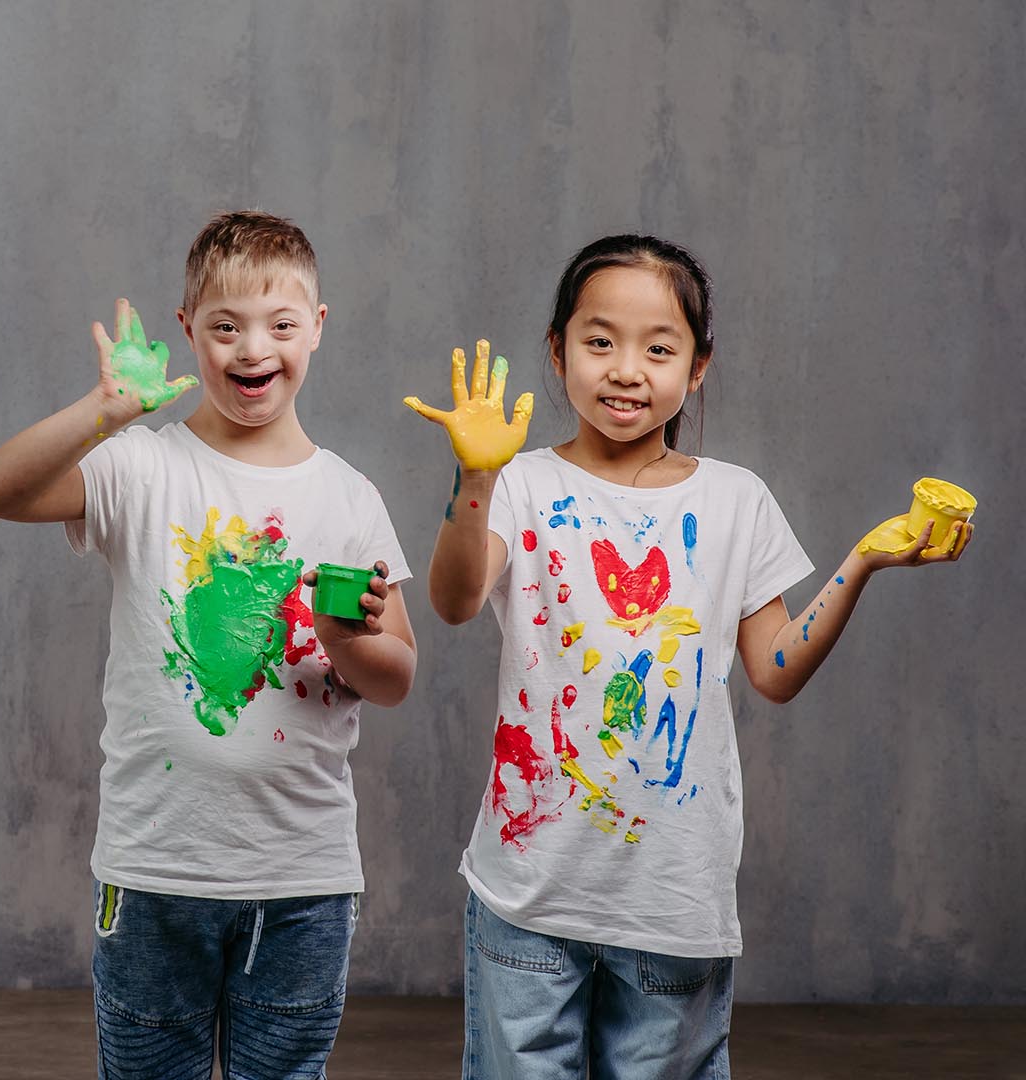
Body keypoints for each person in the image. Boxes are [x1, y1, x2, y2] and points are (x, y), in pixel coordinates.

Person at [406, 233, 972, 1079]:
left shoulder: (736, 499)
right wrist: (473, 479)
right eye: (599, 342)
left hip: (673, 894)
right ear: (557, 352)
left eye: (658, 348)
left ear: (697, 366)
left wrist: (862, 562)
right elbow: (452, 602)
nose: (627, 370)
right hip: (529, 890)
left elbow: (774, 671)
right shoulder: (522, 483)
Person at [0, 209, 419, 1079]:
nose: (254, 349)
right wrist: (101, 412)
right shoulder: (142, 466)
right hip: (155, 868)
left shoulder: (350, 497)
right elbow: (0, 491)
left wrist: (342, 637)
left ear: (316, 330)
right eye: (226, 326)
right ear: (189, 332)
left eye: (280, 325)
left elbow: (397, 675)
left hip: (303, 877)